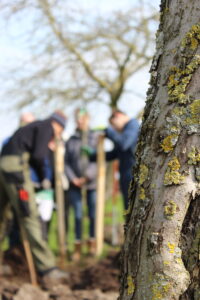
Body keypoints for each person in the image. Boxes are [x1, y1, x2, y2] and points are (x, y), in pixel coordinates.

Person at [0, 111, 69, 282]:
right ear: (58, 126)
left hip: (4, 168)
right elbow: (39, 155)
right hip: (16, 172)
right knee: (30, 215)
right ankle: (48, 269)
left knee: (3, 217)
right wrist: (44, 177)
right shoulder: (46, 126)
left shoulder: (29, 128)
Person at [64, 108, 98, 261]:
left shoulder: (95, 138)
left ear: (88, 119)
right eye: (77, 119)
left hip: (91, 183)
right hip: (74, 183)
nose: (80, 121)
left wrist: (87, 176)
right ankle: (77, 247)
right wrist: (73, 178)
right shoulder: (71, 140)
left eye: (83, 118)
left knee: (92, 214)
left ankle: (92, 243)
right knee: (77, 215)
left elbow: (98, 160)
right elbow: (65, 163)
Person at [105, 110, 140, 210]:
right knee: (127, 208)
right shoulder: (125, 131)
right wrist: (94, 155)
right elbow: (115, 153)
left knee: (131, 208)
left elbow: (124, 143)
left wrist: (110, 132)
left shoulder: (133, 125)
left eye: (113, 124)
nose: (114, 128)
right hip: (125, 174)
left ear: (118, 115)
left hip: (132, 173)